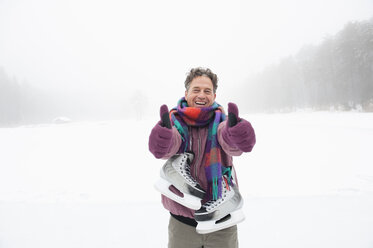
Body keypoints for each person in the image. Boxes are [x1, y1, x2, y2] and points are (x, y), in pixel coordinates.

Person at [148, 67, 256, 248]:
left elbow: (229, 141)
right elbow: (169, 146)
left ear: (214, 96)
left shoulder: (222, 122)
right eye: (196, 90)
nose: (201, 95)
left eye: (207, 91)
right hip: (182, 224)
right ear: (186, 92)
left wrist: (237, 133)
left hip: (222, 222)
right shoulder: (174, 122)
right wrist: (163, 136)